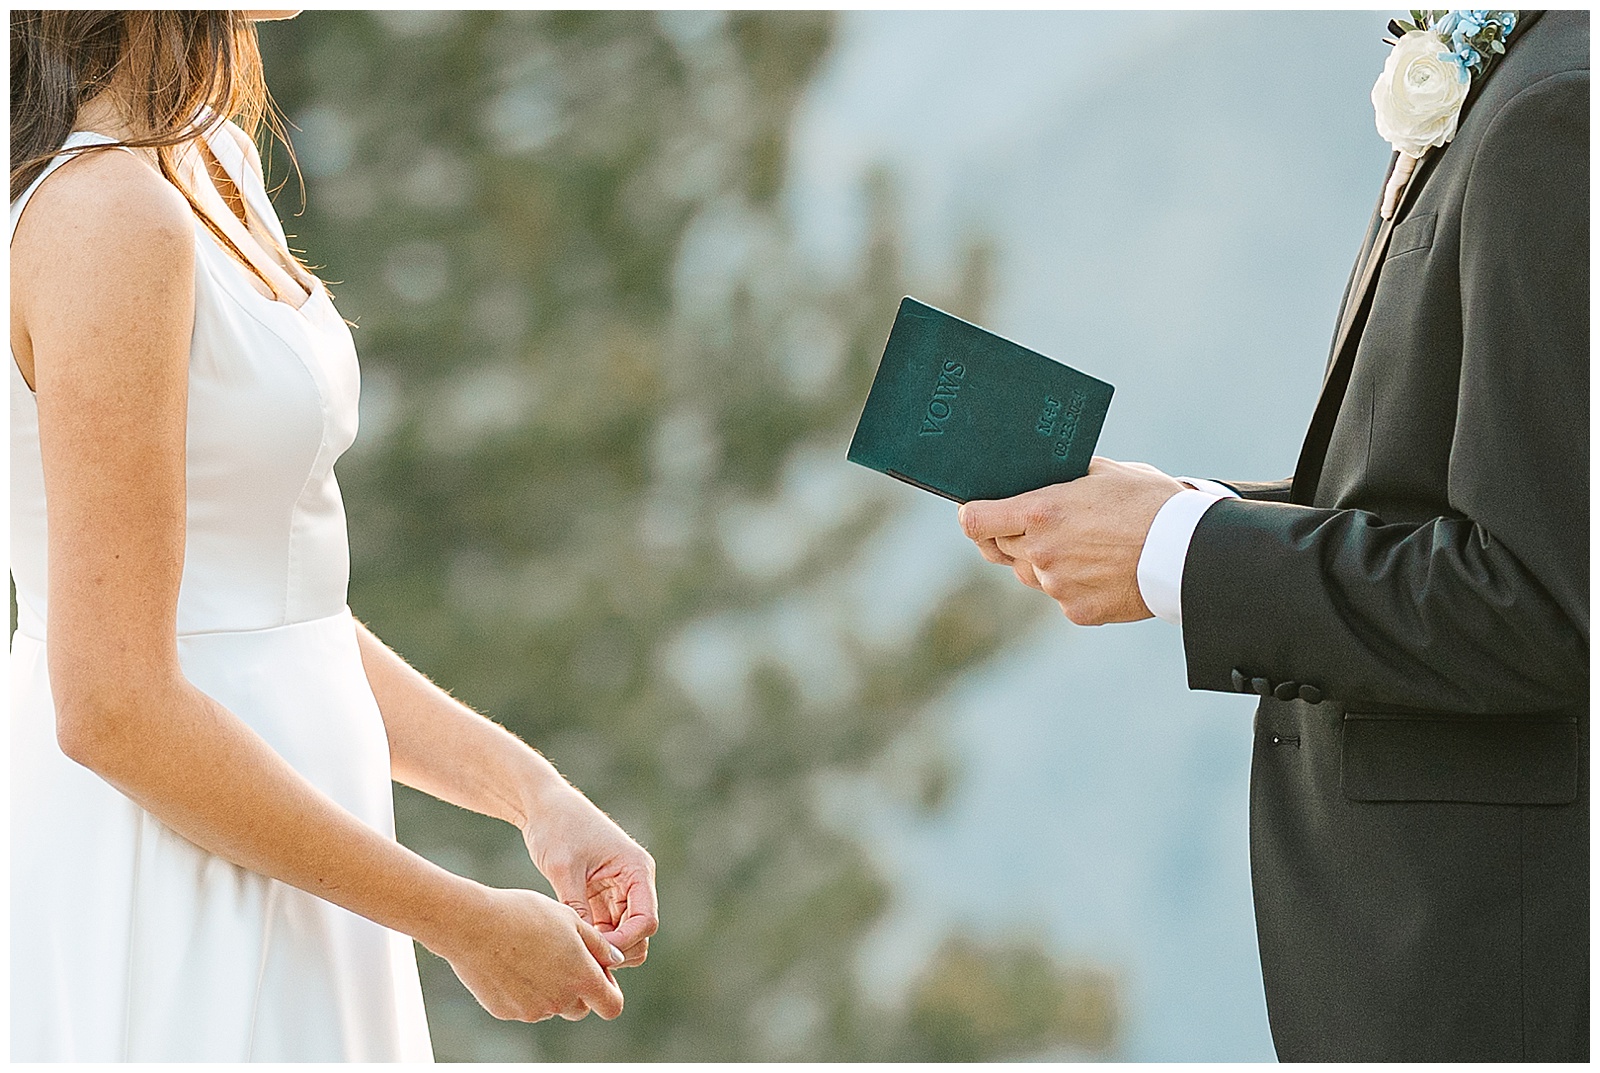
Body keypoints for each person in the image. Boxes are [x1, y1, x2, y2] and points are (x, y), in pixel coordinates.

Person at [10, 10, 658, 1061]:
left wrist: (532, 795)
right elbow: (114, 706)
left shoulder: (204, 157)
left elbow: (271, 609)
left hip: (301, 853)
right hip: (174, 873)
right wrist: (461, 920)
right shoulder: (105, 219)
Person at [958, 9, 1586, 1062]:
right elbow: (1444, 496)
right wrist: (1173, 513)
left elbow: (1537, 596)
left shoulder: (1557, 109)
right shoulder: (1507, 82)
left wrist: (1181, 553)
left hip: (1494, 972)